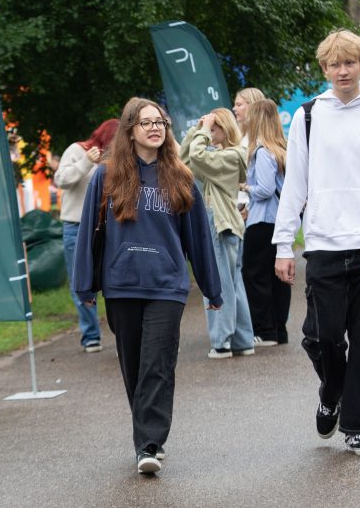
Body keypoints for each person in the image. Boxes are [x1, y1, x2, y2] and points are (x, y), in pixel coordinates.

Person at [273, 29, 360, 457]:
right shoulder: (309, 116)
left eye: (350, 63)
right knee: (323, 337)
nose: (343, 71)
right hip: (324, 245)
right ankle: (330, 391)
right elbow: (294, 183)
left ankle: (355, 426)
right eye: (335, 64)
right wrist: (282, 244)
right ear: (325, 69)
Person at [72, 98, 223, 475]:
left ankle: (148, 444)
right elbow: (90, 236)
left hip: (166, 286)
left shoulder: (181, 177)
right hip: (121, 285)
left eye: (160, 122)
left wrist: (212, 289)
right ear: (130, 130)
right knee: (134, 366)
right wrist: (85, 287)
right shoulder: (106, 177)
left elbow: (199, 239)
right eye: (146, 123)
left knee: (158, 363)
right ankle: (147, 435)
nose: (155, 128)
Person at [179, 107, 254, 358]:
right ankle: (243, 340)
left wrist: (201, 133)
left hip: (222, 225)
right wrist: (196, 129)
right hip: (223, 224)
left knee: (219, 284)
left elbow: (198, 158)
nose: (210, 133)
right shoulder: (219, 155)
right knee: (232, 284)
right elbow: (184, 161)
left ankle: (222, 341)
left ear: (226, 128)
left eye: (214, 128)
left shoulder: (234, 155)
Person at [54, 118, 118, 352]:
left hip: (105, 225)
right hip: (75, 225)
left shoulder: (116, 160)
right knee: (80, 280)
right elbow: (61, 180)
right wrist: (85, 162)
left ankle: (121, 329)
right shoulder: (77, 150)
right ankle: (91, 334)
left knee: (113, 276)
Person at [242, 99, 290, 347]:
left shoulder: (261, 152)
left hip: (262, 220)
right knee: (278, 278)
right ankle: (279, 328)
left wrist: (245, 187)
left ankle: (265, 329)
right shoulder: (282, 150)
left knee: (254, 275)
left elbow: (264, 189)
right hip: (280, 221)